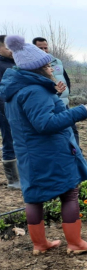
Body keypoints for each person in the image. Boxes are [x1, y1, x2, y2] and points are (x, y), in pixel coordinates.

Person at [0, 35, 87, 255]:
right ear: (36, 68)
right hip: (50, 152)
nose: (51, 68)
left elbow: (31, 117)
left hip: (28, 153)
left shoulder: (16, 90)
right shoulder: (35, 91)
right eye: (46, 65)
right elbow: (45, 124)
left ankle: (40, 244)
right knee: (69, 194)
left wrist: (53, 94)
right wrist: (81, 111)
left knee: (34, 198)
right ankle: (75, 243)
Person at [32, 37, 80, 146]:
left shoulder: (56, 61)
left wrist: (66, 93)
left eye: (46, 48)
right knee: (58, 131)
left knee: (73, 130)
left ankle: (77, 154)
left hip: (64, 102)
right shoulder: (32, 65)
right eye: (40, 48)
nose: (44, 50)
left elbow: (65, 78)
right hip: (49, 103)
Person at [0, 35, 20, 189]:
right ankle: (12, 180)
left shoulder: (16, 63)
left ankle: (21, 174)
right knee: (9, 140)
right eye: (7, 47)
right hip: (4, 109)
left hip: (17, 108)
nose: (11, 50)